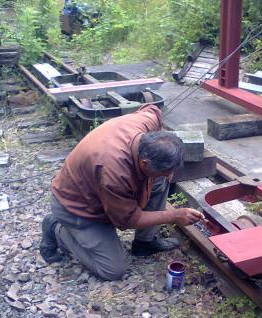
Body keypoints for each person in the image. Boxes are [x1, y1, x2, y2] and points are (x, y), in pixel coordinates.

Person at [39, 104, 205, 280]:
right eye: (166, 171)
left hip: (100, 189)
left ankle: (144, 243)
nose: (170, 177)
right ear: (144, 164)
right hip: (78, 207)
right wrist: (174, 215)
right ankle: (56, 228)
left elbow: (152, 109)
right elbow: (126, 220)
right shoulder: (114, 173)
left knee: (159, 181)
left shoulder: (147, 124)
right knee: (113, 270)